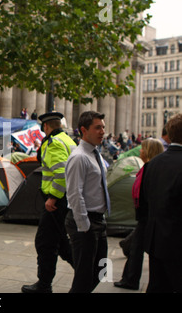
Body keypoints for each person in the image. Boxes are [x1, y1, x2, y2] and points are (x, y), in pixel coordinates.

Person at [21, 112, 76, 293]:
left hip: (56, 201)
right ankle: (86, 271)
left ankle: (44, 285)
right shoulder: (68, 140)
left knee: (45, 242)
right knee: (60, 242)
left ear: (45, 127)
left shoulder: (53, 143)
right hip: (66, 199)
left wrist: (53, 197)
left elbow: (61, 174)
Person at [65, 111, 110, 293]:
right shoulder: (79, 157)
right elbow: (75, 194)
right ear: (84, 130)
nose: (102, 132)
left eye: (103, 127)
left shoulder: (95, 154)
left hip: (98, 220)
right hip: (85, 221)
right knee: (84, 275)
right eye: (97, 127)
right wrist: (85, 226)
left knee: (101, 269)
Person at [114, 138, 164, 290]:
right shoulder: (148, 167)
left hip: (147, 215)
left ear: (149, 151)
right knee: (136, 246)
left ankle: (131, 279)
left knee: (137, 248)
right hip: (144, 215)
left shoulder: (150, 169)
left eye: (143, 148)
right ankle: (130, 278)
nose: (140, 151)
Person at [141, 114, 182, 293]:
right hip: (177, 241)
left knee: (157, 286)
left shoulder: (153, 163)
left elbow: (144, 202)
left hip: (155, 239)